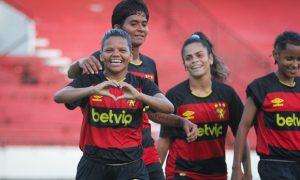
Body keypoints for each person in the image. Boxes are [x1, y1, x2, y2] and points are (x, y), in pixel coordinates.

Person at [67, 1, 198, 179]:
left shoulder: (150, 64)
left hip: (144, 149)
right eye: (134, 23)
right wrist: (79, 63)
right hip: (105, 154)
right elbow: (72, 80)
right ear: (118, 27)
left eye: (144, 24)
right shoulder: (103, 59)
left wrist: (181, 122)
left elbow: (153, 112)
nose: (141, 29)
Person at [54, 29, 174, 180]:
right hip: (93, 166)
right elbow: (58, 96)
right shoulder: (90, 80)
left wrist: (139, 96)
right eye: (109, 50)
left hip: (131, 167)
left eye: (122, 50)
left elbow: (169, 107)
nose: (116, 54)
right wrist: (92, 90)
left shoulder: (142, 83)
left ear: (130, 56)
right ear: (101, 55)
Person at [157, 32, 252, 180]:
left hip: (217, 174)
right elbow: (164, 141)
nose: (194, 60)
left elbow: (241, 135)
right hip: (182, 173)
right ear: (184, 65)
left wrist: (246, 172)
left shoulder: (228, 94)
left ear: (211, 58)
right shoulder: (174, 96)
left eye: (199, 55)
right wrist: (154, 175)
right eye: (188, 58)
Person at [232, 31, 300, 180]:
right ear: (276, 55)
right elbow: (243, 127)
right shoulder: (261, 87)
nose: (295, 64)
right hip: (274, 165)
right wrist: (237, 168)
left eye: (299, 59)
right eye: (289, 58)